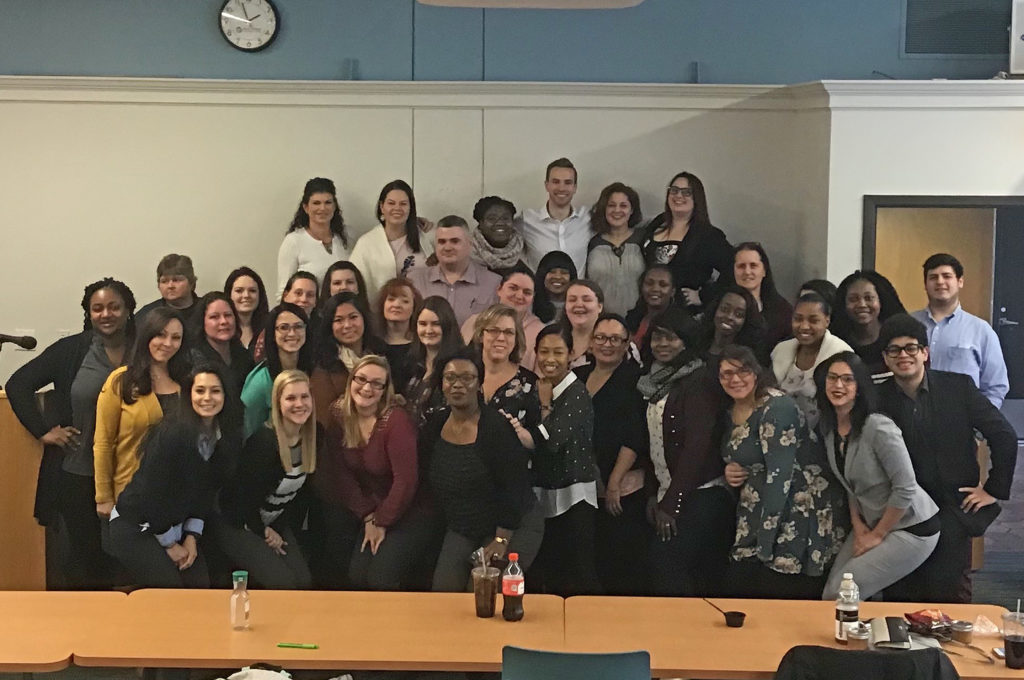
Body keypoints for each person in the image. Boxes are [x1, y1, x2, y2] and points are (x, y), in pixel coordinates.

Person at [876, 314, 1017, 603]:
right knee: (901, 596)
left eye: (911, 348)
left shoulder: (958, 388)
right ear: (886, 359)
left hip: (952, 509)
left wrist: (993, 489)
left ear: (925, 353)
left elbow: (1003, 435)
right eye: (895, 350)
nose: (904, 355)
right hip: (903, 513)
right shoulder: (876, 399)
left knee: (950, 598)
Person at [5, 277, 136, 589]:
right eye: (98, 308)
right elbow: (18, 384)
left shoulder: (145, 349)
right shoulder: (72, 350)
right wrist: (42, 431)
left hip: (131, 471)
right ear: (89, 314)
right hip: (79, 473)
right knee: (85, 560)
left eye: (114, 307)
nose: (106, 314)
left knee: (129, 558)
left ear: (129, 310)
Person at [718, 344, 846, 599]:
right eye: (726, 374)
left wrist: (764, 543)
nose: (735, 379)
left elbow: (780, 477)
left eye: (743, 371)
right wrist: (730, 471)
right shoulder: (730, 411)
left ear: (757, 372)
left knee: (776, 596)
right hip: (755, 511)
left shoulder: (777, 407)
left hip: (794, 512)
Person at [814, 352, 940, 600]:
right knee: (831, 589)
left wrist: (876, 536)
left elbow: (905, 488)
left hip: (912, 527)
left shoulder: (878, 426)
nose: (838, 385)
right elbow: (850, 487)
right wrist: (859, 527)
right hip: (871, 522)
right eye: (833, 378)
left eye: (848, 380)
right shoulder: (829, 428)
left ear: (859, 387)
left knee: (840, 594)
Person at [106, 364, 240, 588]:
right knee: (172, 592)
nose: (207, 398)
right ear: (188, 395)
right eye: (200, 391)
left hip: (177, 527)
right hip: (137, 525)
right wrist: (170, 545)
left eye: (215, 391)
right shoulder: (173, 433)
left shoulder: (222, 438)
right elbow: (152, 494)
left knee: (200, 588)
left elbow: (205, 494)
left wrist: (191, 538)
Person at [424, 348, 543, 591]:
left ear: (479, 384)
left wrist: (501, 539)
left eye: (467, 378)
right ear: (442, 384)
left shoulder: (495, 428)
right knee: (442, 593)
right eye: (450, 378)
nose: (458, 384)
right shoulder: (435, 424)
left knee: (481, 592)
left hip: (513, 522)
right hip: (464, 525)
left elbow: (515, 489)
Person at [316, 355, 435, 590]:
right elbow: (342, 476)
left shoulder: (396, 421)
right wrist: (368, 516)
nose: (367, 388)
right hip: (375, 510)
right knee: (357, 575)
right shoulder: (339, 415)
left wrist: (380, 521)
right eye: (361, 379)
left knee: (380, 577)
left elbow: (406, 482)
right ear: (351, 381)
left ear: (384, 390)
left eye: (376, 383)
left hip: (413, 511)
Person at [640, 308, 733, 597]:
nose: (662, 344)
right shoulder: (655, 380)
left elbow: (697, 445)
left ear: (687, 342)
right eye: (657, 337)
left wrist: (672, 503)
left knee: (668, 566)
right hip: (669, 491)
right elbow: (654, 442)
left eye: (671, 338)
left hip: (701, 493)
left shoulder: (698, 380)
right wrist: (654, 494)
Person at [212, 369, 316, 589]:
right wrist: (264, 532)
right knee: (284, 582)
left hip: (273, 519)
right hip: (237, 521)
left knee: (304, 581)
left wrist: (277, 528)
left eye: (304, 397)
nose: (299, 404)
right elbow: (240, 501)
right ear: (278, 403)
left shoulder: (314, 438)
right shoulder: (264, 443)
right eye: (290, 398)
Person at [575, 314, 650, 595]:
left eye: (615, 339)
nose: (607, 344)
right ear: (591, 342)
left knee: (618, 564)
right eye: (601, 338)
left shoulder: (635, 380)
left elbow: (634, 436)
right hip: (582, 482)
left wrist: (615, 482)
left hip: (618, 487)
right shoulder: (578, 376)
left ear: (626, 344)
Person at [94, 307, 188, 518]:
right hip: (129, 494)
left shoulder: (187, 383)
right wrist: (104, 497)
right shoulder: (121, 380)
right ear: (147, 335)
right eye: (160, 335)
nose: (167, 343)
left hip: (174, 496)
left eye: (176, 338)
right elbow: (103, 442)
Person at [530, 324, 601, 596]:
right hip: (546, 489)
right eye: (544, 351)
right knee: (552, 570)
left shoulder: (577, 392)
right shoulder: (539, 387)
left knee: (581, 571)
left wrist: (545, 406)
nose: (550, 358)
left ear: (571, 354)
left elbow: (552, 440)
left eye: (558, 352)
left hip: (575, 493)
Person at [911, 253, 1009, 407]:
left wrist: (980, 423)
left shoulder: (980, 330)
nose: (940, 282)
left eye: (947, 276)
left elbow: (995, 386)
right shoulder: (909, 324)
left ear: (960, 281)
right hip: (913, 418)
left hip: (963, 420)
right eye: (933, 277)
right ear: (925, 284)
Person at [642, 172, 732, 312]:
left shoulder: (708, 236)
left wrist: (704, 295)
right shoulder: (657, 223)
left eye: (687, 192)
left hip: (683, 316)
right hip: (649, 309)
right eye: (674, 190)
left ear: (697, 198)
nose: (678, 196)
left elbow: (733, 269)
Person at [771, 292, 852, 428]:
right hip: (780, 430)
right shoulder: (781, 350)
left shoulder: (841, 354)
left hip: (825, 432)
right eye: (798, 319)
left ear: (827, 320)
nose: (804, 326)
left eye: (813, 320)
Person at [350, 179, 434, 304]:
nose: (397, 208)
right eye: (391, 203)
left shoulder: (426, 237)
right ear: (382, 207)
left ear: (411, 207)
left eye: (403, 204)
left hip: (422, 315)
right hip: (380, 315)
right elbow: (354, 283)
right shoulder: (366, 243)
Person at [309, 292, 386, 428]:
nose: (347, 325)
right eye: (338, 320)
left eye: (353, 317)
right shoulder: (323, 368)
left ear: (364, 318)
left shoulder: (380, 356)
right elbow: (323, 421)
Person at [406, 215, 500, 326]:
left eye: (455, 241)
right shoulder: (415, 280)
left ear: (470, 244)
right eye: (442, 242)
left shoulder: (493, 283)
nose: (447, 247)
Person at [469, 304, 541, 445]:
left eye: (509, 332)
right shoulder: (463, 375)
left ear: (516, 339)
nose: (501, 338)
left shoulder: (530, 383)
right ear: (481, 335)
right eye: (494, 330)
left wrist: (520, 433)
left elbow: (539, 443)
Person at [241, 303, 313, 438]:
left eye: (298, 326)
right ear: (272, 334)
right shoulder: (260, 381)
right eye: (284, 327)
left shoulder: (314, 372)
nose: (292, 333)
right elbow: (249, 431)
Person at [276, 177, 349, 302]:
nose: (322, 208)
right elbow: (284, 293)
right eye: (316, 203)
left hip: (341, 316)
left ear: (335, 206)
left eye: (328, 202)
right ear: (306, 207)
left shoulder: (347, 238)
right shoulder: (293, 241)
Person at [516, 157, 592, 275]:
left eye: (568, 182)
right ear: (547, 185)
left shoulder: (587, 219)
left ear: (575, 187)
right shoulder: (527, 220)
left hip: (576, 292)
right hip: (539, 293)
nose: (561, 188)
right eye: (556, 182)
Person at [462, 265, 544, 371]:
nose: (519, 296)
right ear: (499, 289)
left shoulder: (540, 331)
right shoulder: (475, 322)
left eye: (527, 292)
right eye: (513, 288)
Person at [830, 270, 907, 382]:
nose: (862, 304)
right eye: (853, 299)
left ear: (881, 301)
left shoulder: (899, 340)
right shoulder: (836, 344)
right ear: (844, 304)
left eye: (869, 298)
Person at [585, 182, 646, 317]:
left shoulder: (643, 238)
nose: (617, 210)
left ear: (632, 210)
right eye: (611, 205)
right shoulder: (591, 242)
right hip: (600, 321)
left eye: (623, 206)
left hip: (638, 321)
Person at [403, 297, 464, 428]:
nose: (429, 330)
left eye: (436, 324)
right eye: (423, 324)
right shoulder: (412, 363)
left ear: (447, 326)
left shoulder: (459, 365)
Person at [189, 292, 254, 400]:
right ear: (202, 322)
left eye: (228, 315)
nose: (224, 321)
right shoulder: (193, 360)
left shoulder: (244, 357)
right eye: (214, 317)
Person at [734, 242, 793, 348]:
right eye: (741, 266)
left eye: (753, 266)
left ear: (764, 271)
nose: (747, 271)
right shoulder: (721, 307)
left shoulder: (783, 310)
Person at [253, 271, 319, 362]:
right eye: (298, 293)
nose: (304, 299)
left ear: (316, 301)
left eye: (310, 295)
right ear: (285, 295)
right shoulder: (269, 328)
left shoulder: (323, 331)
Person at [701, 284, 767, 366]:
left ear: (746, 321)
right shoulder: (696, 343)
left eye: (738, 314)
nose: (729, 317)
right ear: (715, 309)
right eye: (724, 309)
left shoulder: (745, 361)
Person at [376, 277, 422, 390]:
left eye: (405, 301)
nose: (396, 305)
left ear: (414, 308)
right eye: (391, 299)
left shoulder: (422, 344)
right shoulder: (371, 343)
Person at [135, 253, 202, 330]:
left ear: (191, 283)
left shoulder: (207, 311)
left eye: (176, 280)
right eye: (164, 281)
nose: (170, 286)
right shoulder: (148, 314)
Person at [470, 195, 526, 274]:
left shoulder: (525, 251)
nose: (500, 223)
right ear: (481, 223)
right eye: (492, 218)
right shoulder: (465, 255)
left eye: (505, 218)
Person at [625, 264, 675, 351]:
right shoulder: (632, 317)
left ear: (672, 292)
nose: (655, 289)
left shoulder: (680, 325)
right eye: (649, 283)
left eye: (663, 285)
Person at [224, 266, 269, 351]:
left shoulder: (271, 328)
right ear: (229, 294)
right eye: (239, 291)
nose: (246, 295)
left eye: (252, 290)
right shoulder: (221, 328)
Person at [564, 279, 605, 368]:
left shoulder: (617, 342)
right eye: (572, 300)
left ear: (600, 307)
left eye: (587, 300)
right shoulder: (552, 338)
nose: (579, 304)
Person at [532, 250, 577, 324]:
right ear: (542, 276)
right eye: (552, 272)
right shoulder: (529, 305)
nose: (558, 277)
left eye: (564, 272)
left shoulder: (578, 306)